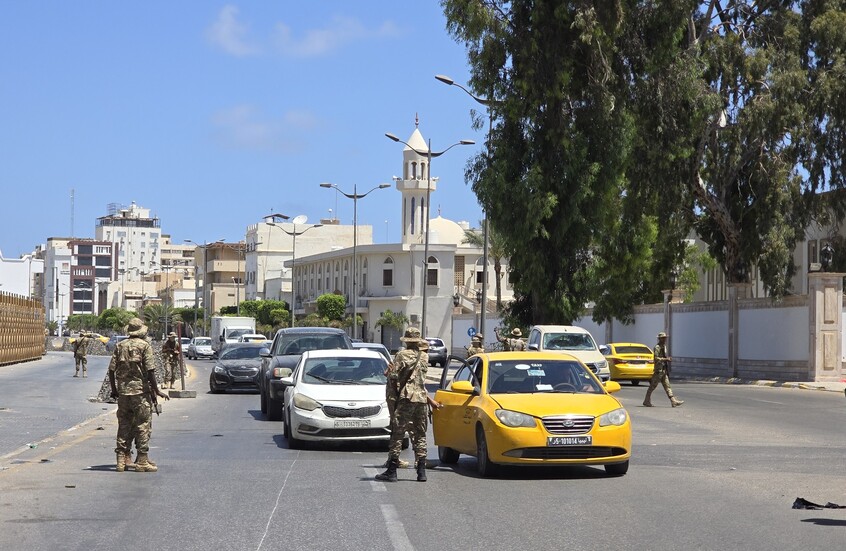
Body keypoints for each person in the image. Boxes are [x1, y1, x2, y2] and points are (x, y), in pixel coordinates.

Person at [377, 327, 441, 483]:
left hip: (406, 398)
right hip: (420, 399)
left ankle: (391, 470)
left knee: (398, 433)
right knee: (420, 434)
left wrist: (389, 372)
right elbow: (420, 381)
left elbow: (393, 376)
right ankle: (421, 472)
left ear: (406, 341)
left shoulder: (401, 355)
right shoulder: (424, 357)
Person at [108, 317, 169, 472]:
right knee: (143, 425)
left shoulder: (120, 345)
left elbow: (111, 370)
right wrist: (157, 390)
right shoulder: (145, 346)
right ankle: (142, 460)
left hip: (123, 393)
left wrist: (114, 390)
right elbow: (150, 371)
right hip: (140, 393)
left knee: (124, 424)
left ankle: (121, 460)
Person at [643, 332, 683, 408]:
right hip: (658, 370)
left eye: (665, 338)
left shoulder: (664, 346)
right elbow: (656, 358)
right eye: (663, 338)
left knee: (667, 386)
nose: (664, 339)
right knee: (652, 386)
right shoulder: (657, 347)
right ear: (659, 339)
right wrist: (665, 359)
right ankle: (646, 401)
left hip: (663, 370)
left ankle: (673, 401)